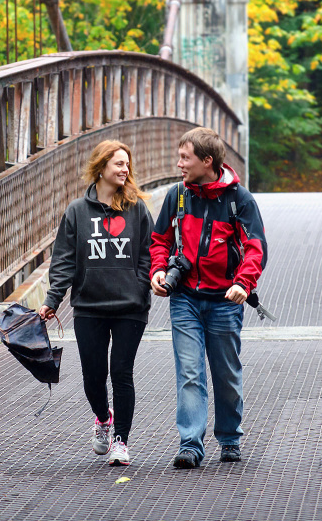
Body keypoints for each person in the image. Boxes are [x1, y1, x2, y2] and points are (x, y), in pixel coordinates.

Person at [150, 127, 267, 468]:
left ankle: (229, 438)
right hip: (184, 297)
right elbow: (159, 240)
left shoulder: (238, 200)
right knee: (189, 372)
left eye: (185, 158)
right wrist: (158, 270)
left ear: (207, 161)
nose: (179, 163)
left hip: (224, 302)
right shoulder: (178, 195)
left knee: (226, 373)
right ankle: (190, 444)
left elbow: (255, 247)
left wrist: (243, 283)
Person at [39, 140, 153, 467]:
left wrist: (141, 283)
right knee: (93, 375)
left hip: (131, 306)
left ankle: (121, 441)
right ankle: (103, 418)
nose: (124, 169)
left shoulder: (137, 210)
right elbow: (63, 261)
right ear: (101, 167)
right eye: (118, 164)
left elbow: (149, 253)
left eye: (127, 164)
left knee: (121, 371)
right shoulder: (77, 212)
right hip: (89, 307)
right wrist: (52, 300)